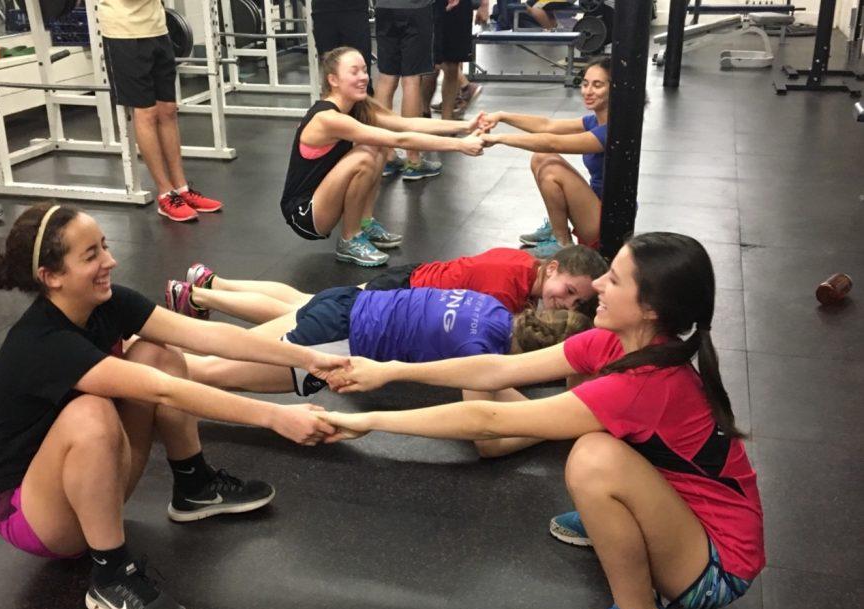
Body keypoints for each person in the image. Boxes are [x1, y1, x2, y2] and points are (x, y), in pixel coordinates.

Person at [319, 232, 765, 609]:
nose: (597, 286)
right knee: (598, 448)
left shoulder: (648, 382)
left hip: (716, 568)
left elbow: (489, 421)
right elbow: (499, 367)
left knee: (594, 458)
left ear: (650, 309)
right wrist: (392, 370)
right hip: (686, 516)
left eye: (614, 279)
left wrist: (370, 420)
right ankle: (620, 521)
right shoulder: (616, 343)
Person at [0, 204, 345, 609]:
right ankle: (110, 575)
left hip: (95, 482)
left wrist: (312, 358)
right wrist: (275, 416)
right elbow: (160, 391)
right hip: (35, 515)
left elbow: (209, 336)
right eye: (91, 255)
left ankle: (194, 486)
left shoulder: (107, 304)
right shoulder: (41, 342)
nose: (109, 261)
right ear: (51, 276)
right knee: (90, 410)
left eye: (105, 247)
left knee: (160, 352)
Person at [173, 284, 590, 401]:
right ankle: (131, 379)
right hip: (335, 339)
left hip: (344, 299)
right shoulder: (479, 354)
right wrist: (554, 423)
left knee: (222, 347)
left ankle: (140, 337)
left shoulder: (492, 306)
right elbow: (488, 435)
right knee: (213, 375)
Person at [281, 46, 484, 267]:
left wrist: (466, 125)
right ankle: (350, 240)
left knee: (373, 149)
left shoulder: (357, 107)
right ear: (333, 80)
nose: (363, 77)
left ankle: (364, 224)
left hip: (324, 200)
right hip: (305, 214)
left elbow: (408, 124)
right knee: (364, 157)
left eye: (365, 70)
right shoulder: (327, 118)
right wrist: (460, 144)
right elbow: (400, 140)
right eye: (354, 72)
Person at [163, 245, 608, 324]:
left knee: (308, 300)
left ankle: (211, 281)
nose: (565, 305)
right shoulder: (507, 287)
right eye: (568, 291)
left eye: (576, 303)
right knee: (301, 312)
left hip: (410, 279)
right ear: (552, 269)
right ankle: (198, 296)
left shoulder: (525, 265)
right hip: (399, 293)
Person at [99, 0, 221, 222]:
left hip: (158, 28)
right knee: (146, 112)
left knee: (168, 110)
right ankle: (165, 194)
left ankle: (181, 188)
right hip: (124, 33)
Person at [478, 55, 611, 255]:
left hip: (607, 224)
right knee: (541, 157)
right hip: (592, 208)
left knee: (552, 169)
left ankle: (562, 242)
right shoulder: (594, 121)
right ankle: (557, 229)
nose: (588, 91)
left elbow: (552, 142)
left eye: (597, 85)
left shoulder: (611, 130)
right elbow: (547, 125)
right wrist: (502, 116)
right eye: (585, 84)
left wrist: (499, 139)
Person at [374, 0, 458, 180]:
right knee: (411, 80)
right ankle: (413, 160)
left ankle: (386, 155)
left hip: (384, 7)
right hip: (415, 9)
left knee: (386, 78)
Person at [422, 0, 488, 120]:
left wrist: (484, 4)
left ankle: (446, 121)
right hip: (428, 6)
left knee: (452, 63)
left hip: (458, 8)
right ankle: (424, 113)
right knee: (429, 62)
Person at [310, 0, 374, 95]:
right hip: (324, 12)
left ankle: (361, 107)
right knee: (331, 72)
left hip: (354, 11)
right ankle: (333, 106)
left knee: (358, 69)